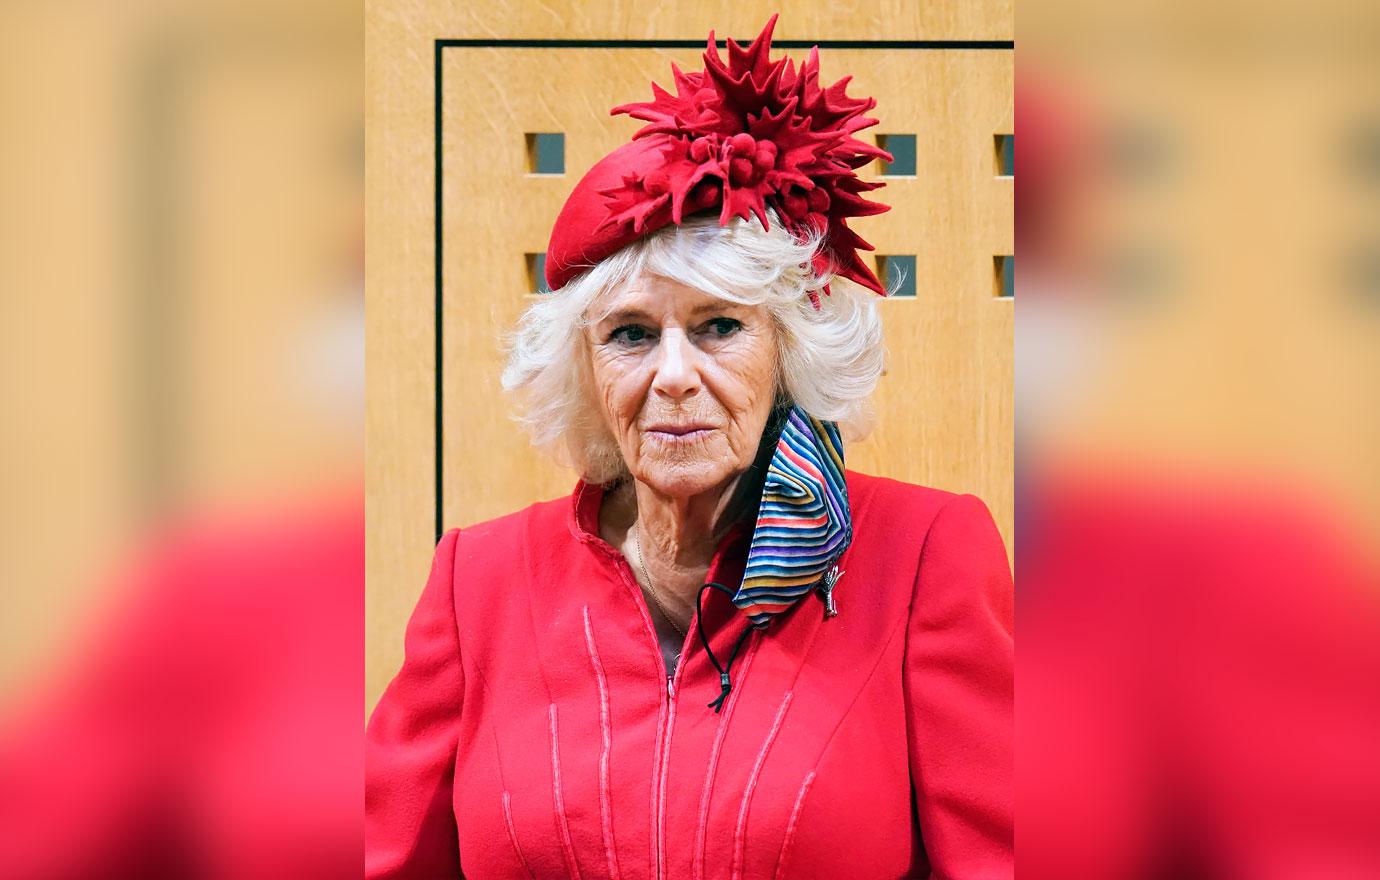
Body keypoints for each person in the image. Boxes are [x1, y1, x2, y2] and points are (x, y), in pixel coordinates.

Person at [366, 16, 1013, 879]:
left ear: (789, 351)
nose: (674, 375)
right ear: (585, 371)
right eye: (631, 335)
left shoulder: (922, 555)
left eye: (719, 328)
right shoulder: (474, 582)